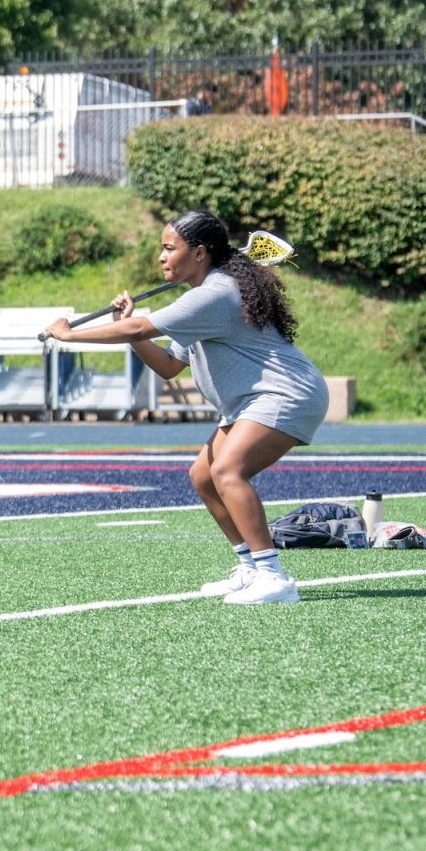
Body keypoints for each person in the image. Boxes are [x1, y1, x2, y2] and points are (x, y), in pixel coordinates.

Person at [44, 209, 326, 605]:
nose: (161, 257)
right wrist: (129, 326)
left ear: (198, 253)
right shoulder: (202, 298)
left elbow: (142, 328)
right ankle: (249, 567)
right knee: (204, 476)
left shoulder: (215, 293)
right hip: (251, 400)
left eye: (168, 248)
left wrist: (71, 335)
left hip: (285, 393)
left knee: (228, 471)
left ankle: (274, 577)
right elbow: (169, 366)